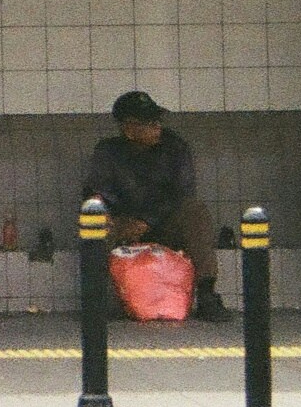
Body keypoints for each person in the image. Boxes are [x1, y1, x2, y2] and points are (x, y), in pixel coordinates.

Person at [81, 89, 230, 322]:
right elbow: (96, 190)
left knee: (195, 212)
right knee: (94, 221)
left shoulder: (174, 147)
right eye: (149, 122)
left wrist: (146, 221)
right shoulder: (108, 152)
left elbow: (182, 193)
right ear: (129, 130)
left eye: (158, 121)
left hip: (163, 222)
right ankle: (98, 298)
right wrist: (105, 212)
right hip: (125, 225)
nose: (157, 127)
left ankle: (207, 294)